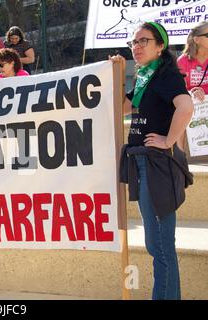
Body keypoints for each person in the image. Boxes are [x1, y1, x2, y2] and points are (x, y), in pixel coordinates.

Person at [110, 22, 194, 300]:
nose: (136, 46)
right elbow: (124, 106)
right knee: (156, 244)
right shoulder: (146, 77)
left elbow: (186, 106)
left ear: (160, 47)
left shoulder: (166, 76)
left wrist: (168, 140)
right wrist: (119, 73)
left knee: (159, 246)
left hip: (157, 164)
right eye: (133, 42)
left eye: (143, 41)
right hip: (144, 164)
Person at [177, 21, 208, 102]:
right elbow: (179, 91)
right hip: (193, 107)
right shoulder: (182, 61)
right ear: (196, 39)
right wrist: (192, 93)